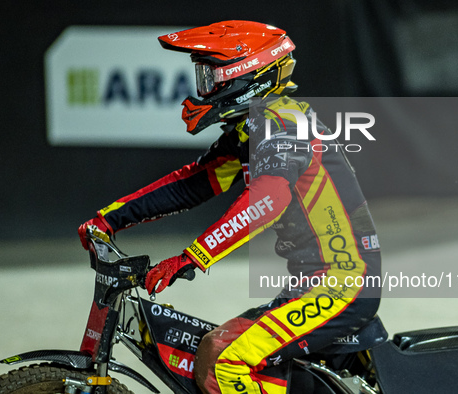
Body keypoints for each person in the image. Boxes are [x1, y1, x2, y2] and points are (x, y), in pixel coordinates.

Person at [79, 20, 381, 394]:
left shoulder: (284, 124)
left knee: (223, 359)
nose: (202, 89)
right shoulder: (252, 129)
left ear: (246, 76)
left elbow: (270, 197)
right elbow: (192, 184)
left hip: (343, 283)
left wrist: (190, 257)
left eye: (211, 77)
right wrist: (109, 219)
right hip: (318, 281)